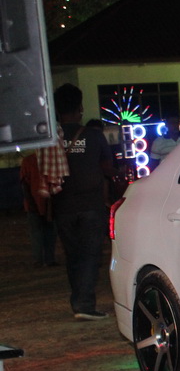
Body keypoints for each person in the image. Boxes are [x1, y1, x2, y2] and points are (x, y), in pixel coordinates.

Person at [50, 84, 115, 321]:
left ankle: (78, 301)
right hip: (91, 205)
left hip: (62, 205)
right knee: (90, 255)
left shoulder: (51, 138)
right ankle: (84, 304)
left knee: (73, 255)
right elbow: (108, 168)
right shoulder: (94, 135)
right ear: (80, 108)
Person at [19, 152, 58, 267]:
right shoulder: (51, 160)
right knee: (49, 232)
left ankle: (39, 259)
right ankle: (48, 259)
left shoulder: (28, 160)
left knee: (37, 233)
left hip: (37, 203)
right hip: (47, 203)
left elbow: (24, 184)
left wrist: (31, 203)